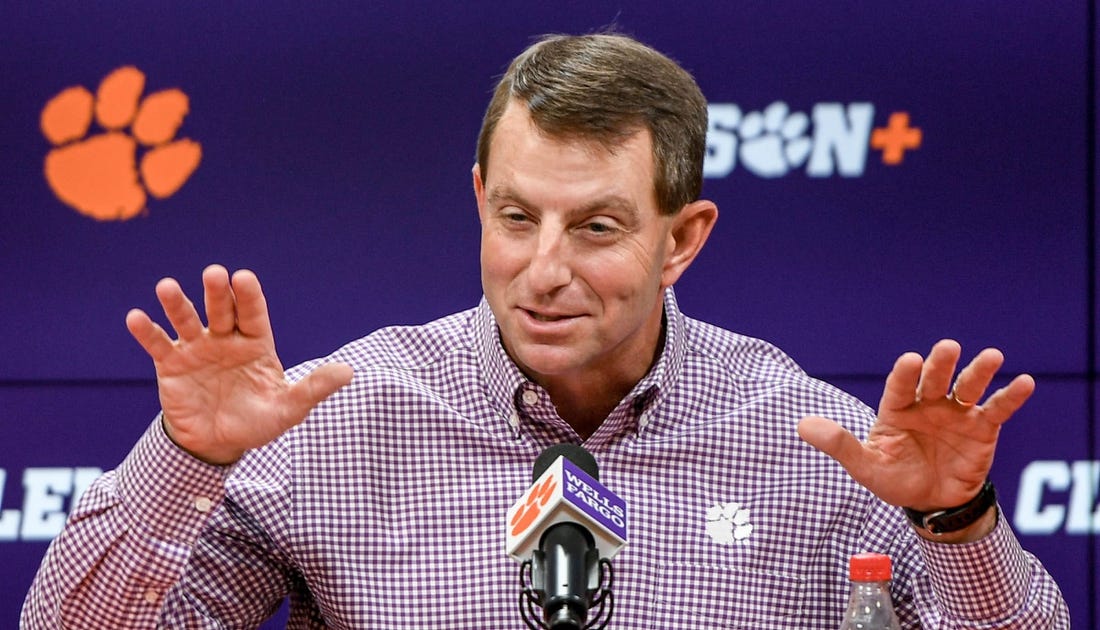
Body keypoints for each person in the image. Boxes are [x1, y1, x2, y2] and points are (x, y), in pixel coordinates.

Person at [22, 32, 1068, 629]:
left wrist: (957, 525)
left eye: (598, 227)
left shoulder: (812, 442)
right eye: (516, 217)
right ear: (478, 199)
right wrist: (187, 458)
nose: (545, 270)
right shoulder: (339, 422)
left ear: (683, 238)